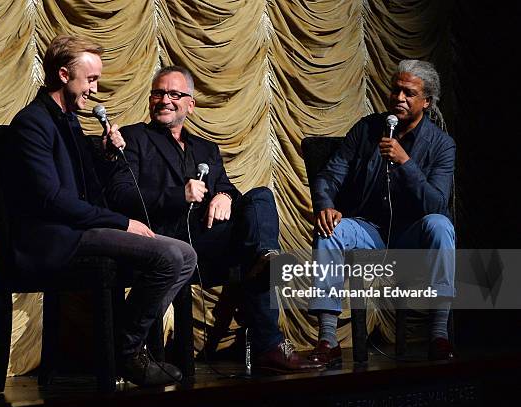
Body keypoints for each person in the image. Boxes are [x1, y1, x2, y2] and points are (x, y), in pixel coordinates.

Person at [2, 35, 197, 387]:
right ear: (63, 75)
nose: (94, 89)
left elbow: (93, 189)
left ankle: (119, 345)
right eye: (90, 79)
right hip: (54, 239)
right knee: (171, 254)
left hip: (80, 231)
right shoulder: (33, 123)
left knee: (184, 254)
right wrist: (122, 223)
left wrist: (107, 153)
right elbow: (51, 199)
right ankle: (125, 351)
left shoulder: (69, 121)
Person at [100, 66, 322, 372]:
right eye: (158, 93)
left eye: (174, 94)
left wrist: (225, 197)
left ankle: (266, 258)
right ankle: (269, 345)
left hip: (207, 237)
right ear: (150, 100)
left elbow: (226, 186)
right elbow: (120, 196)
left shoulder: (205, 148)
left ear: (190, 104)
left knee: (259, 199)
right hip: (164, 237)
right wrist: (181, 194)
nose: (165, 100)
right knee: (252, 253)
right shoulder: (133, 138)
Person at [308, 60, 456, 365]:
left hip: (411, 234)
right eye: (395, 90)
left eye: (409, 93)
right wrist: (326, 205)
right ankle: (327, 340)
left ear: (426, 102)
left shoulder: (441, 145)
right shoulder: (367, 129)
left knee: (441, 225)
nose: (398, 98)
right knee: (330, 230)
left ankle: (439, 334)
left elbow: (436, 203)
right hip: (369, 229)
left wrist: (406, 163)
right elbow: (329, 176)